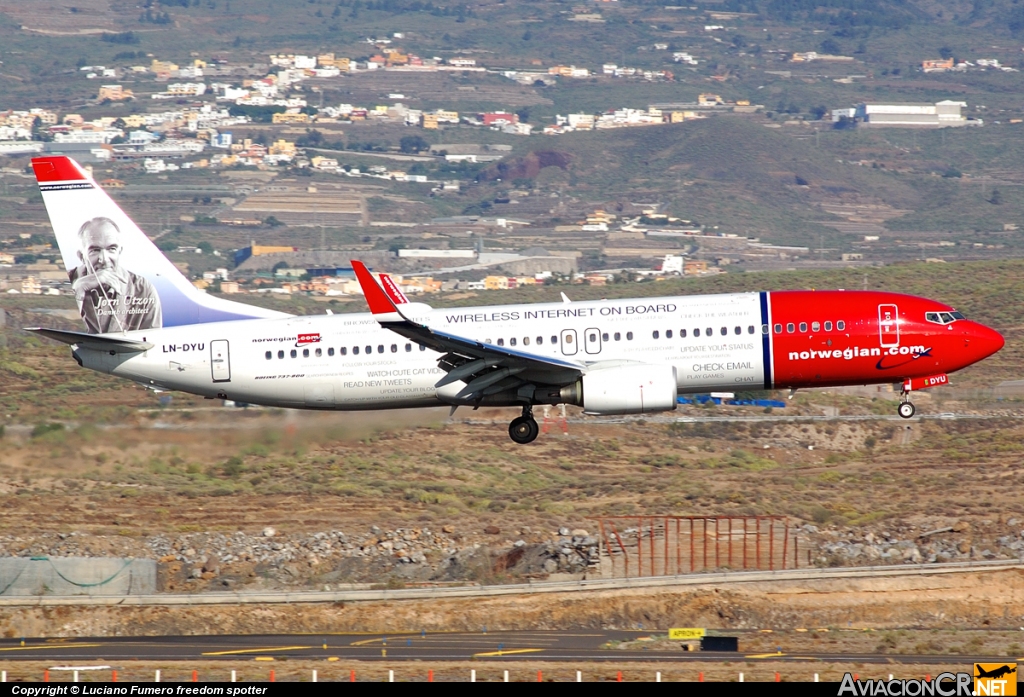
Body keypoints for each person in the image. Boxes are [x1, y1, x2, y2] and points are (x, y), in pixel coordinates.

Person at [68, 217, 162, 334]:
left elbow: (153, 341)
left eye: (111, 249)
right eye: (95, 250)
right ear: (81, 256)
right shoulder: (68, 281)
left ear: (119, 252)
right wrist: (77, 291)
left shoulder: (143, 290)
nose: (104, 259)